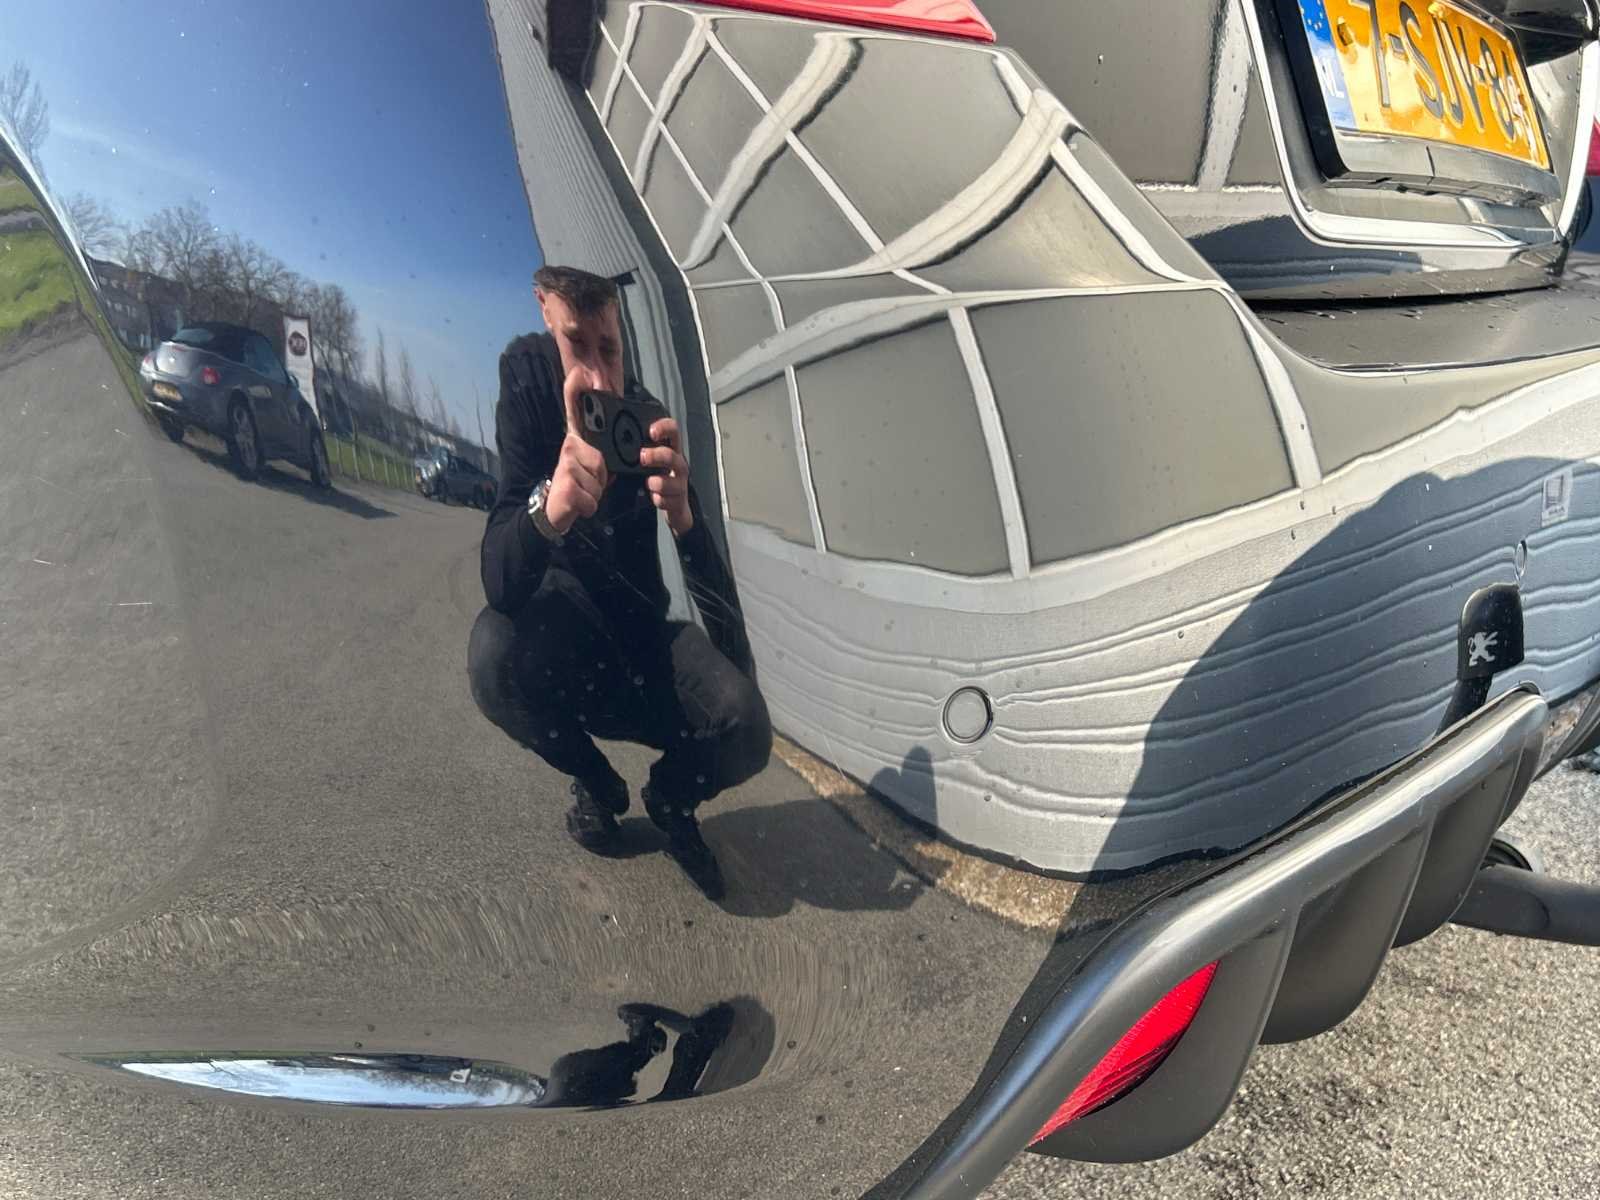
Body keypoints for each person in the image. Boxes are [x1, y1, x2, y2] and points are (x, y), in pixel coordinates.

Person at [467, 265, 770, 900]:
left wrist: (685, 520)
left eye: (610, 349)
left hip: (642, 649)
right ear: (544, 312)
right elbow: (499, 578)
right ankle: (599, 785)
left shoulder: (644, 416)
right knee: (492, 655)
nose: (601, 379)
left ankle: (670, 799)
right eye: (576, 343)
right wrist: (549, 507)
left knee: (746, 726)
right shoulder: (526, 378)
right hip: (567, 652)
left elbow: (733, 650)